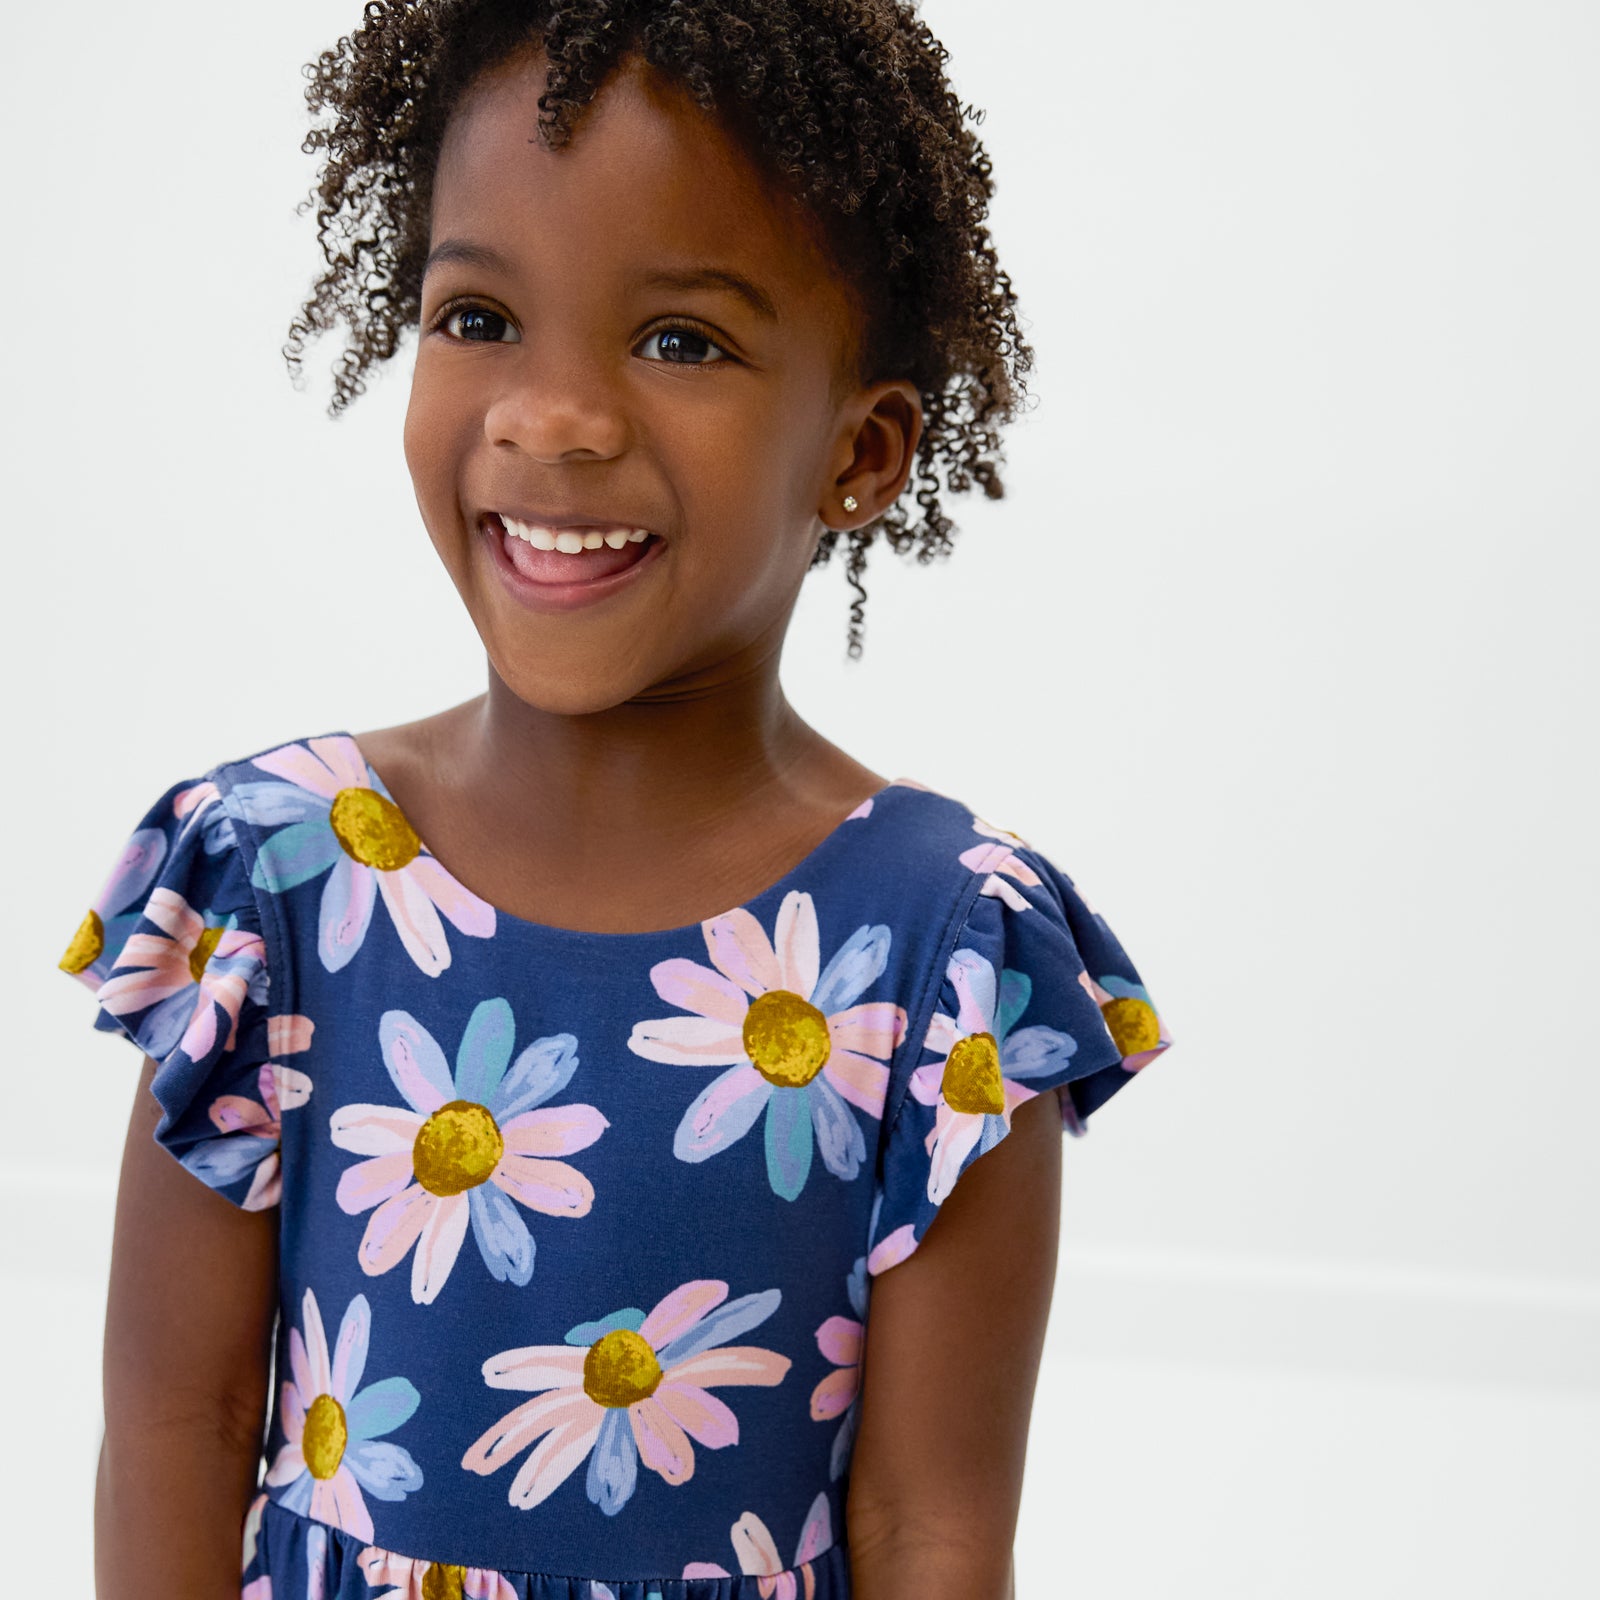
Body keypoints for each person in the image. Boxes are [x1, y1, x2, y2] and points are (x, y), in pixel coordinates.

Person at [59, 3, 1175, 1595]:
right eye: (478, 318)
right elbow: (178, 1416)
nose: (551, 417)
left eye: (680, 343)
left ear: (860, 454)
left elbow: (933, 1526)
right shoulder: (274, 879)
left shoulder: (948, 952)